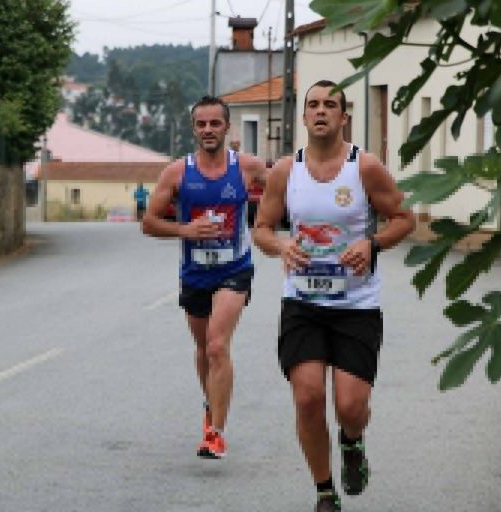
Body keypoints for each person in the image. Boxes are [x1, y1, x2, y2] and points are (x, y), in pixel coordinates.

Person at [252, 80, 416, 511]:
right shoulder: (287, 171)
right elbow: (262, 229)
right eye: (313, 105)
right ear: (303, 116)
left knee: (350, 406)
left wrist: (372, 244)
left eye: (331, 105)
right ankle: (325, 492)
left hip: (356, 304)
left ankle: (352, 441)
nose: (321, 111)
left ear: (344, 117)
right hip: (302, 303)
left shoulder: (365, 168)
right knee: (307, 397)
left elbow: (404, 218)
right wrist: (282, 246)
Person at [142, 95, 267, 459]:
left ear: (227, 126)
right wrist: (185, 230)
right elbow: (149, 222)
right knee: (202, 350)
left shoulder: (246, 167)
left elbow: (287, 189)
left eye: (215, 123)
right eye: (202, 124)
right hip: (195, 272)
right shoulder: (177, 172)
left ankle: (216, 432)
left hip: (235, 268)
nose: (208, 130)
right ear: (194, 128)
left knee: (216, 345)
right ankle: (210, 407)